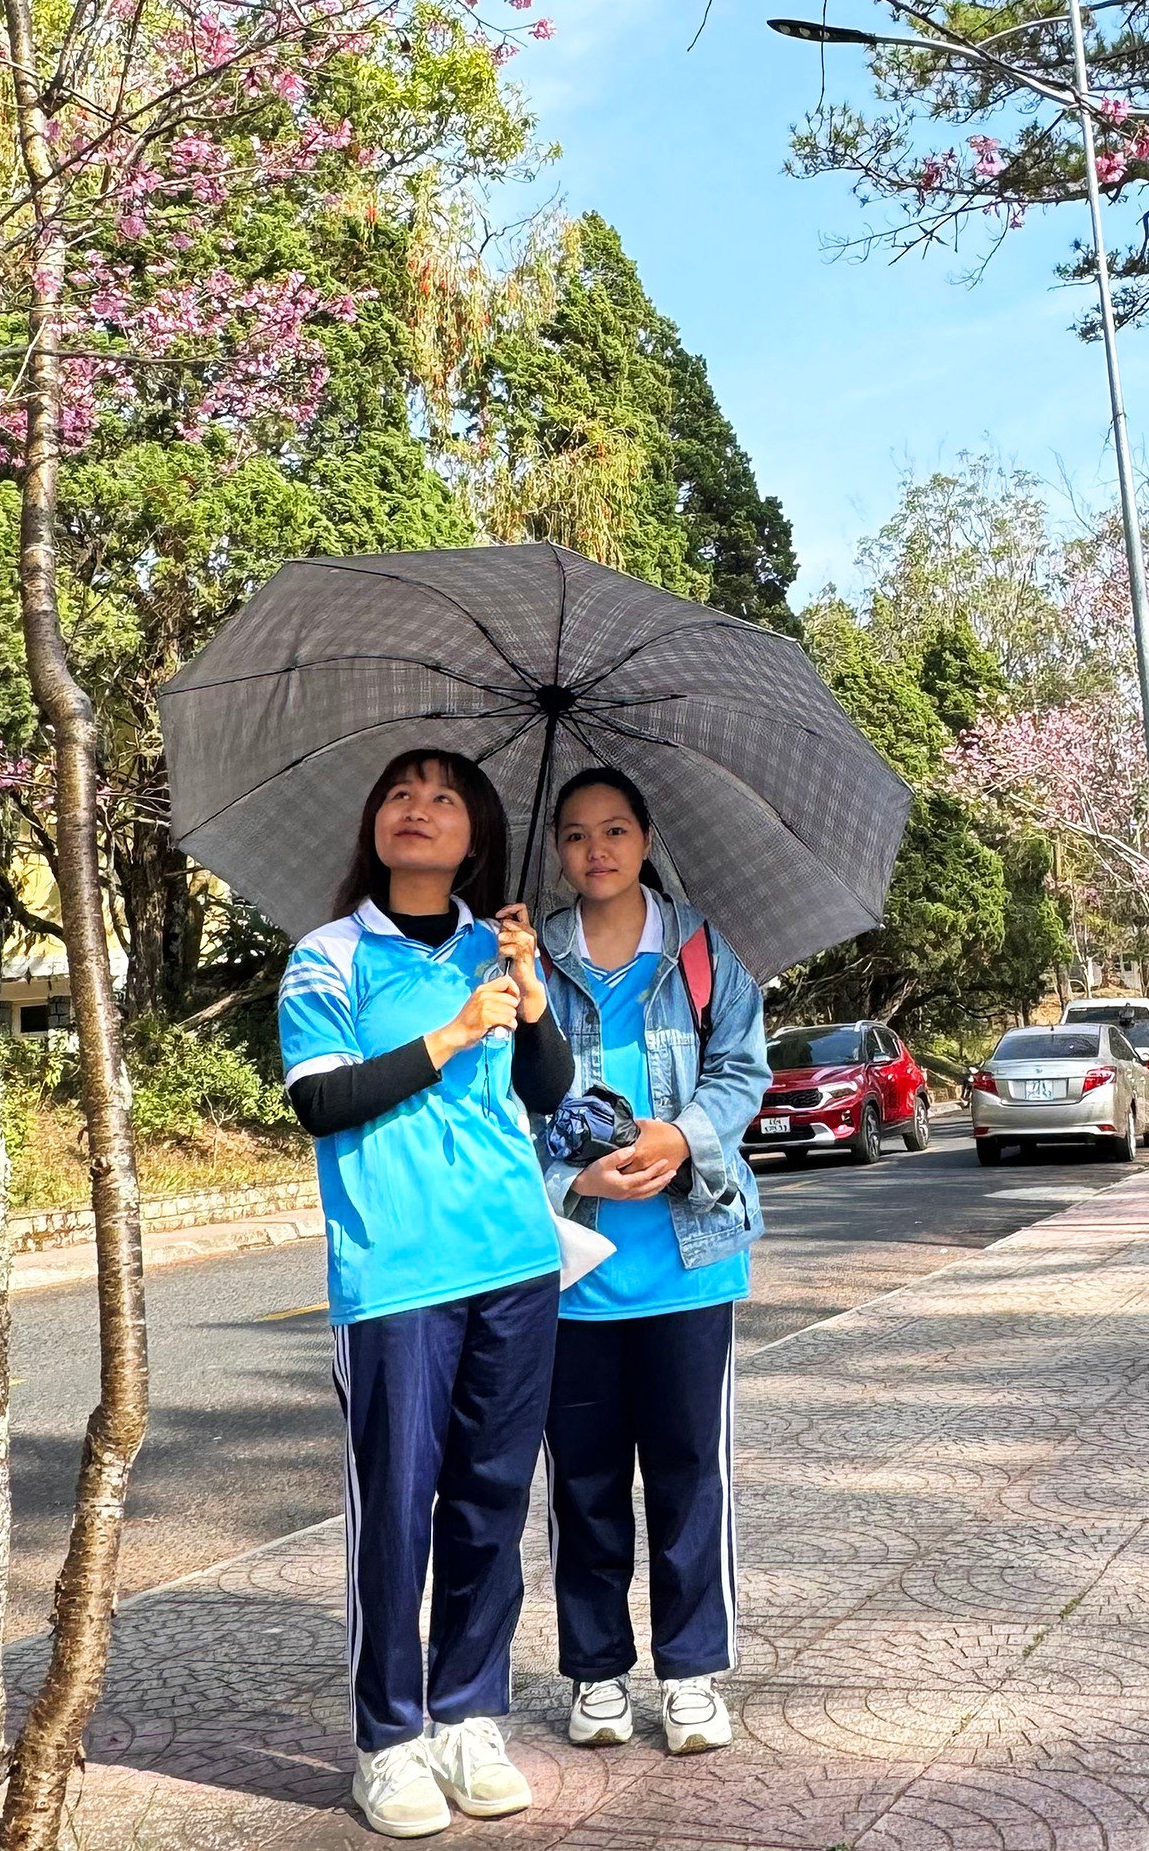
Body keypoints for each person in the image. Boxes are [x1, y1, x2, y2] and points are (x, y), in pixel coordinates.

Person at [278, 749, 575, 1841]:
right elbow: (322, 1101)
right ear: (375, 822)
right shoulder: (329, 955)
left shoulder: (493, 949)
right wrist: (450, 1032)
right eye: (401, 792)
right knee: (397, 1511)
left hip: (514, 1261)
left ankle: (467, 1715)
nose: (420, 810)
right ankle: (388, 1740)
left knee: (493, 1504)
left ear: (475, 834)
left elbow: (549, 1097)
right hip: (395, 1273)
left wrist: (530, 1000)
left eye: (445, 797)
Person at [536, 768, 769, 1757]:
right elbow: (507, 1099)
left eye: (617, 828)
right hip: (575, 1274)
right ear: (557, 850)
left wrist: (679, 1139)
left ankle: (691, 1673)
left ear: (645, 837)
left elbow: (743, 1071)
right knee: (581, 1485)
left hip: (689, 1261)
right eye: (579, 833)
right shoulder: (527, 964)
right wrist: (575, 1178)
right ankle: (595, 1675)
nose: (599, 848)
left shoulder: (706, 951)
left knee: (688, 1476)